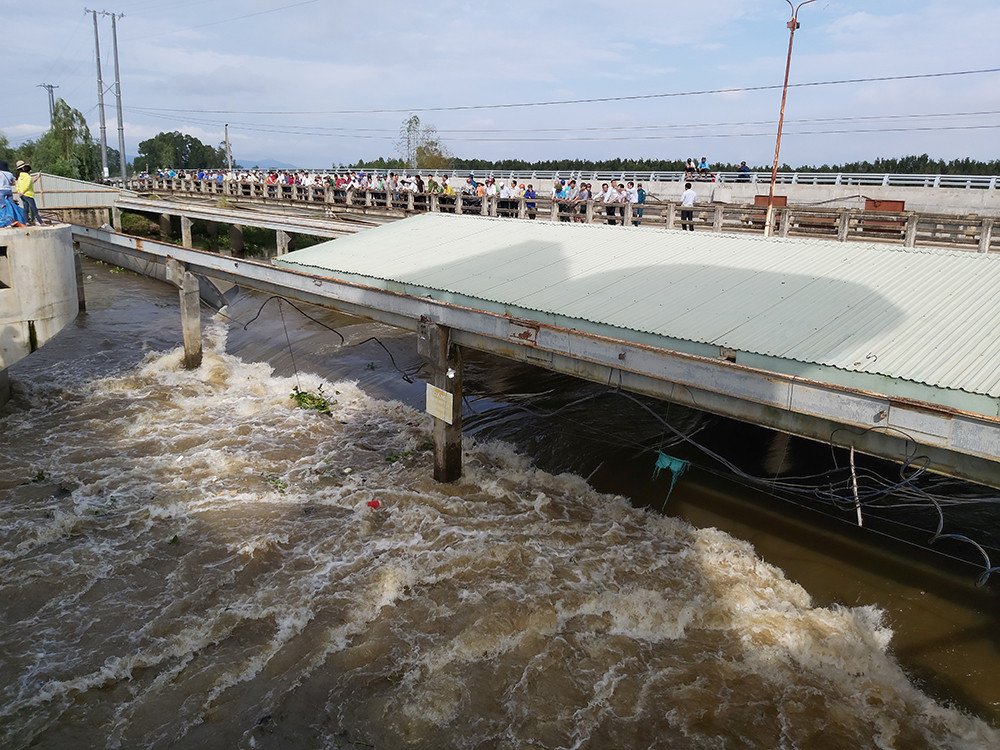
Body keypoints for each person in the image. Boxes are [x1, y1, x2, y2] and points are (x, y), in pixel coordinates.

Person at [0, 160, 27, 227]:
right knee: (12, 206)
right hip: (9, 191)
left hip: (1, 191)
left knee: (2, 206)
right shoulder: (9, 174)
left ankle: (5, 222)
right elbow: (13, 183)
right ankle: (14, 220)